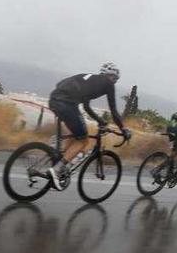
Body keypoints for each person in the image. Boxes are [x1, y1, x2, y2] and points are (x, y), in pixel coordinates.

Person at [46, 62, 131, 190]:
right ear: (110, 76)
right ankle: (57, 170)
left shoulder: (89, 79)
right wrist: (123, 129)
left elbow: (86, 106)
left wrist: (100, 121)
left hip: (54, 100)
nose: (114, 82)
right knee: (83, 140)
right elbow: (113, 111)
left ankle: (59, 158)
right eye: (115, 79)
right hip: (67, 104)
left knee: (75, 134)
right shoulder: (107, 83)